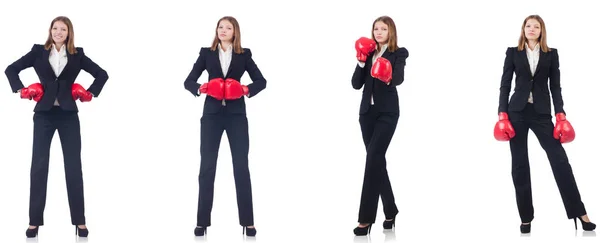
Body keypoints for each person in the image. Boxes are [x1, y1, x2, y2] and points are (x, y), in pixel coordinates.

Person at [5, 16, 109, 238]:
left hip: (68, 116)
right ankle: (34, 222)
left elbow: (102, 74)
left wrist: (89, 93)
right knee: (39, 166)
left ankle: (79, 221)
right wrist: (21, 90)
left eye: (63, 29)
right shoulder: (38, 52)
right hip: (43, 116)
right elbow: (11, 69)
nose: (58, 32)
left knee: (73, 167)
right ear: (50, 31)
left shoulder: (77, 55)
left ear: (69, 32)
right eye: (55, 28)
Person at [494, 14, 596, 233]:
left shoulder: (551, 55)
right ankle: (526, 217)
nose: (532, 29)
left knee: (559, 160)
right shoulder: (513, 53)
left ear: (542, 31)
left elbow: (555, 87)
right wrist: (502, 113)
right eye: (528, 25)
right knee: (519, 165)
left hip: (541, 114)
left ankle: (579, 212)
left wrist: (560, 114)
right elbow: (504, 84)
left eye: (536, 26)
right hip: (516, 113)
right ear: (523, 29)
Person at [183, 16, 266, 237]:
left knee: (241, 167)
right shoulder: (206, 53)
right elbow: (188, 81)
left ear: (235, 32)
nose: (223, 30)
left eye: (228, 27)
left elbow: (261, 81)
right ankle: (202, 222)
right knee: (207, 167)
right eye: (220, 27)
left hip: (236, 115)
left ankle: (248, 222)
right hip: (211, 116)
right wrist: (203, 87)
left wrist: (245, 90)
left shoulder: (243, 54)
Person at [351, 15, 409, 236]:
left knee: (372, 158)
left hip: (387, 113)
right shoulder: (367, 52)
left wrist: (386, 75)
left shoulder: (398, 53)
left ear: (390, 32)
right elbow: (356, 84)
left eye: (383, 29)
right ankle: (391, 209)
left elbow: (399, 79)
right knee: (377, 161)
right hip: (367, 113)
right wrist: (360, 61)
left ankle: (365, 220)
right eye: (376, 28)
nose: (378, 32)